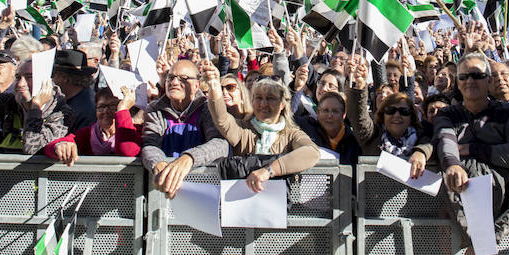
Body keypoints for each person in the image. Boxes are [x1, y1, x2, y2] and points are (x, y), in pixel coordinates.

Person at [435, 52, 509, 241]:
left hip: (506, 211)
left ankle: (490, 239)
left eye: (477, 75)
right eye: (464, 77)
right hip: (461, 210)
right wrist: (453, 165)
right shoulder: (447, 114)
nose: (470, 81)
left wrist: (472, 150)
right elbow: (446, 142)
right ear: (457, 82)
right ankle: (477, 241)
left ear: (488, 80)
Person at [203, 62, 319, 192]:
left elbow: (311, 152)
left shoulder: (291, 134)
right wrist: (213, 85)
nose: (263, 104)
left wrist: (269, 170)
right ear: (252, 101)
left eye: (270, 98)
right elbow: (221, 119)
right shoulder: (243, 130)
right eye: (258, 97)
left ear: (282, 104)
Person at [140, 59, 229, 198]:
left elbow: (220, 144)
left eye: (183, 79)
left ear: (196, 85)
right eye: (171, 77)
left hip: (202, 189)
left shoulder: (207, 107)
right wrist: (157, 162)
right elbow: (150, 143)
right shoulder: (155, 109)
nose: (175, 82)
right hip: (164, 191)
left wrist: (189, 158)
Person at [346, 56, 432, 177]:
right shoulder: (372, 135)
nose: (397, 115)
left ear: (411, 116)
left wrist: (421, 152)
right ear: (382, 115)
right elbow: (358, 116)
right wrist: (359, 86)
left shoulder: (421, 135)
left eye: (403, 111)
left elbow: (430, 141)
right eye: (390, 110)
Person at [45, 85, 142, 164]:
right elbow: (50, 147)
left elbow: (127, 152)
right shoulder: (88, 133)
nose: (105, 111)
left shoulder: (135, 131)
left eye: (113, 106)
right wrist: (60, 146)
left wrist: (123, 109)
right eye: (101, 106)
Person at [296, 91, 361, 164]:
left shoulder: (352, 141)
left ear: (343, 115)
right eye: (325, 110)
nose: (330, 115)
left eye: (335, 111)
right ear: (318, 112)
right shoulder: (304, 127)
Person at [52, 49, 98, 132]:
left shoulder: (87, 108)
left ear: (64, 78)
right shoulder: (66, 99)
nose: (52, 79)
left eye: (53, 74)